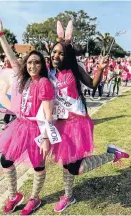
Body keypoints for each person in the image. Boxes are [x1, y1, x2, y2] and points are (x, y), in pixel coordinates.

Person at [47, 20, 130, 213]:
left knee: (76, 167)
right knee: (66, 162)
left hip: (76, 123)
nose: (56, 55)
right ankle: (68, 196)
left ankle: (112, 154)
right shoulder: (49, 73)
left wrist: (100, 69)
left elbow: (93, 84)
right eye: (54, 52)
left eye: (61, 53)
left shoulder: (74, 70)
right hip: (60, 124)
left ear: (67, 56)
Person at [0, 17, 58, 215]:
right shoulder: (23, 78)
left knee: (38, 165)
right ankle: (14, 196)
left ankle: (34, 198)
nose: (32, 66)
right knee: (5, 160)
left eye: (37, 63)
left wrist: (45, 138)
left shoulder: (44, 83)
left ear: (42, 65)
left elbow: (48, 113)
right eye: (29, 62)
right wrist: (1, 34)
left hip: (37, 129)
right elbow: (10, 57)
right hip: (19, 126)